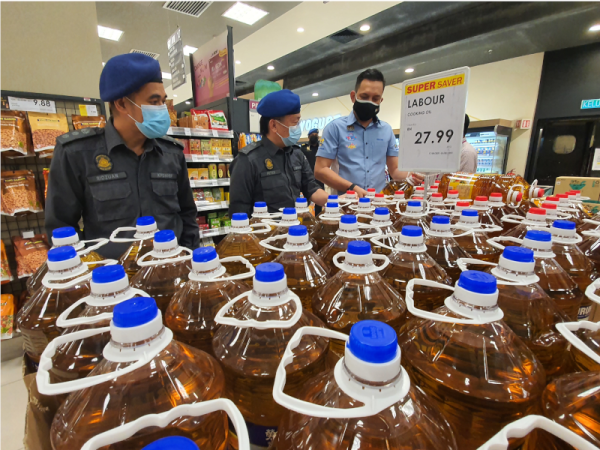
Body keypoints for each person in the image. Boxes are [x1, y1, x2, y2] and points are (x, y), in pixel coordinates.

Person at [45, 53, 199, 259]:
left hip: (170, 275)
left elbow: (187, 215)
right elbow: (61, 228)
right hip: (110, 281)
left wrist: (191, 260)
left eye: (163, 101)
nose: (162, 109)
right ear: (121, 104)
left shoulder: (171, 153)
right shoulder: (75, 154)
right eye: (154, 102)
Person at [314, 68, 423, 196]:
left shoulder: (386, 130)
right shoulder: (335, 128)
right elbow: (320, 170)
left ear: (380, 101)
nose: (369, 102)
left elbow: (394, 170)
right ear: (353, 97)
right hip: (346, 205)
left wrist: (412, 174)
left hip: (378, 205)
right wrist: (352, 188)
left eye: (375, 98)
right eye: (364, 97)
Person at [229, 89, 328, 216]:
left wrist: (337, 201)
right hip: (266, 233)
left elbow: (311, 188)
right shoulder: (248, 161)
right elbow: (239, 211)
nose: (298, 128)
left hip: (296, 231)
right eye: (295, 123)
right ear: (274, 125)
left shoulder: (297, 154)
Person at [301, 127, 325, 214]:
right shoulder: (303, 149)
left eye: (316, 135)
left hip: (319, 178)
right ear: (308, 137)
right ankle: (304, 216)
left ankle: (318, 218)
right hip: (306, 178)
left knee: (320, 202)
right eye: (312, 135)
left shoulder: (322, 148)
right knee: (304, 201)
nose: (314, 136)